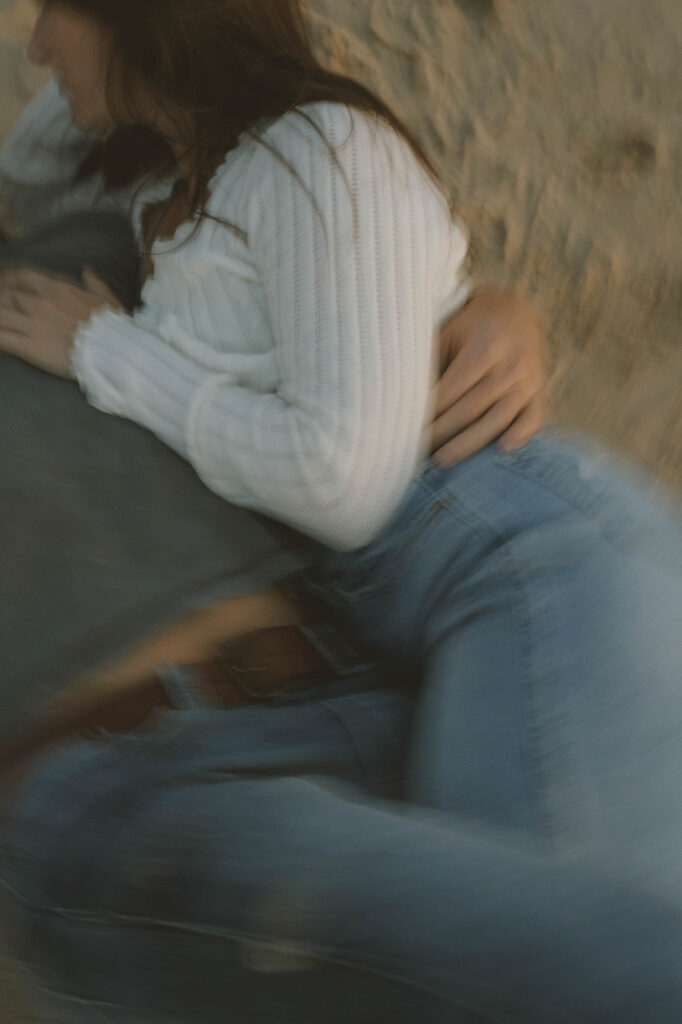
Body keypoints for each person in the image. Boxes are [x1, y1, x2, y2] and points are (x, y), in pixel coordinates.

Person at [0, 2, 681, 1023]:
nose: (33, 44)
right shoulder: (163, 199)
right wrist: (121, 69)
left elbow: (340, 482)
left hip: (506, 564)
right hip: (394, 610)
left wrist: (105, 349)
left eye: (54, 11)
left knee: (580, 975)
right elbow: (31, 176)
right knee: (558, 964)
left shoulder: (300, 152)